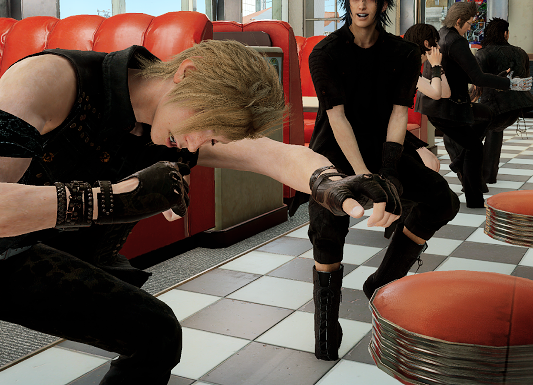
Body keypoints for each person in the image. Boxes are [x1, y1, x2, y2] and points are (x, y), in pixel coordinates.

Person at [0, 39, 389, 385]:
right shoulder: (49, 80)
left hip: (42, 254)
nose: (196, 144)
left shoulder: (172, 124)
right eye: (207, 125)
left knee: (155, 334)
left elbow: (277, 155)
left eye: (214, 137)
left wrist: (329, 182)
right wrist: (114, 199)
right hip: (7, 251)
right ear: (186, 73)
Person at [304, 0, 460, 361]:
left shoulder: (402, 53)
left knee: (442, 201)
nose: (362, 5)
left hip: (383, 145)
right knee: (327, 233)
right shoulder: (325, 52)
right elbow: (337, 118)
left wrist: (388, 171)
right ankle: (326, 329)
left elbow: (398, 114)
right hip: (334, 150)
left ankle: (382, 281)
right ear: (347, 2)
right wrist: (363, 176)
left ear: (383, 4)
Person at [416, 1, 533, 208]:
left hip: (435, 106)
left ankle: (458, 162)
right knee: (474, 147)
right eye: (469, 23)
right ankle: (475, 199)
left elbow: (466, 74)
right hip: (448, 108)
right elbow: (476, 77)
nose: (471, 27)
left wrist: (498, 78)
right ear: (459, 21)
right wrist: (510, 84)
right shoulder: (456, 41)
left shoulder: (441, 34)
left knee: (486, 115)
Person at [472, 18, 533, 183]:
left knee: (471, 138)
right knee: (495, 132)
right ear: (505, 34)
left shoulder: (483, 54)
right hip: (516, 106)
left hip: (491, 105)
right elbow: (525, 80)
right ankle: (489, 175)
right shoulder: (521, 52)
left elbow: (477, 86)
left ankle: (470, 173)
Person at [403, 22, 452, 173]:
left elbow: (445, 93)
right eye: (436, 42)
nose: (439, 47)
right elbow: (436, 94)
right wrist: (435, 65)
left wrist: (438, 66)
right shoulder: (406, 66)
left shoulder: (412, 65)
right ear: (426, 43)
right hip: (382, 127)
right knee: (430, 164)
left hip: (394, 126)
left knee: (432, 162)